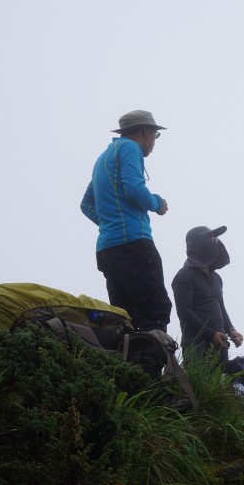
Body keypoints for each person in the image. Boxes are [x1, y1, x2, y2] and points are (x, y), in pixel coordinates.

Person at [80, 110, 172, 332]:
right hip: (134, 244)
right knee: (155, 309)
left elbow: (86, 204)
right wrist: (158, 203)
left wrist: (108, 224)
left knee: (124, 318)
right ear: (145, 131)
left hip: (107, 250)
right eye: (154, 136)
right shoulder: (130, 148)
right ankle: (149, 367)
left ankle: (127, 365)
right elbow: (134, 189)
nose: (153, 143)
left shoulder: (103, 158)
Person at [172, 225, 244, 363]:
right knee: (199, 384)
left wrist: (231, 329)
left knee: (220, 383)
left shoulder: (216, 278)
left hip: (220, 343)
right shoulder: (185, 275)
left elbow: (220, 307)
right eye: (210, 237)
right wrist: (210, 334)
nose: (215, 241)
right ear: (198, 244)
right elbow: (184, 312)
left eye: (215, 237)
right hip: (197, 345)